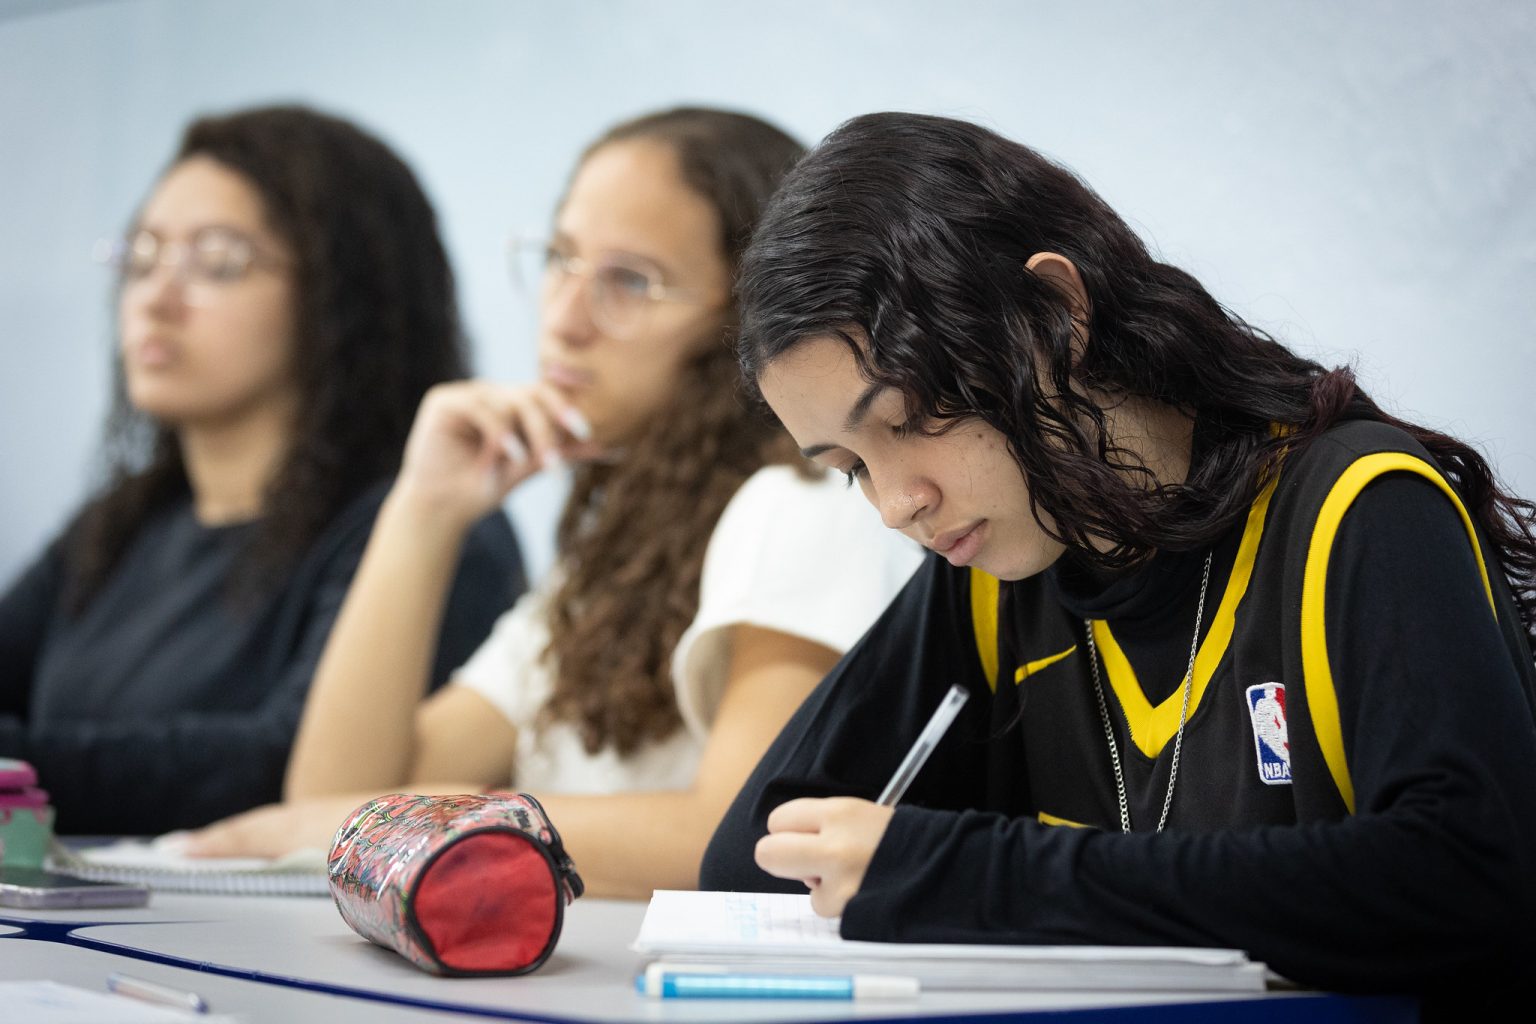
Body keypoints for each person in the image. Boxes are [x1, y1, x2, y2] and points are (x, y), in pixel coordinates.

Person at [701, 112, 1536, 1001]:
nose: (899, 503)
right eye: (852, 467)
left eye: (909, 421)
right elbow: (750, 861)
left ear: (1054, 317)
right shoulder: (992, 573)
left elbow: (1471, 879)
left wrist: (983, 875)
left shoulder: (1359, 507)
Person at [187, 107, 923, 897]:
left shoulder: (796, 502)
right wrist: (422, 513)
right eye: (561, 260)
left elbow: (738, 830)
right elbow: (335, 796)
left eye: (630, 282)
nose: (564, 320)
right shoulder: (609, 555)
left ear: (742, 324)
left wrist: (447, 817)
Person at [0, 105, 525, 835]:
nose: (157, 298)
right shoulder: (121, 523)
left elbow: (291, 767)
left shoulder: (430, 526)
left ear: (343, 299)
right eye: (143, 258)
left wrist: (19, 770)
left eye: (218, 263)